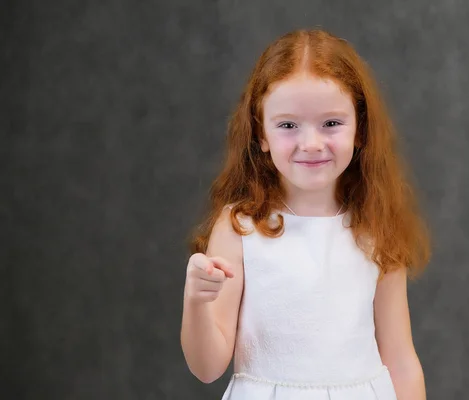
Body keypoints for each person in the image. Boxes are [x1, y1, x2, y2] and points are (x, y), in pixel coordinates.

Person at [180, 28, 431, 400]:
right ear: (260, 134)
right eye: (287, 125)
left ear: (360, 129)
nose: (311, 144)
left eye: (331, 123)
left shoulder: (374, 225)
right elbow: (208, 367)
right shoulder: (239, 228)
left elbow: (400, 358)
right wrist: (197, 301)